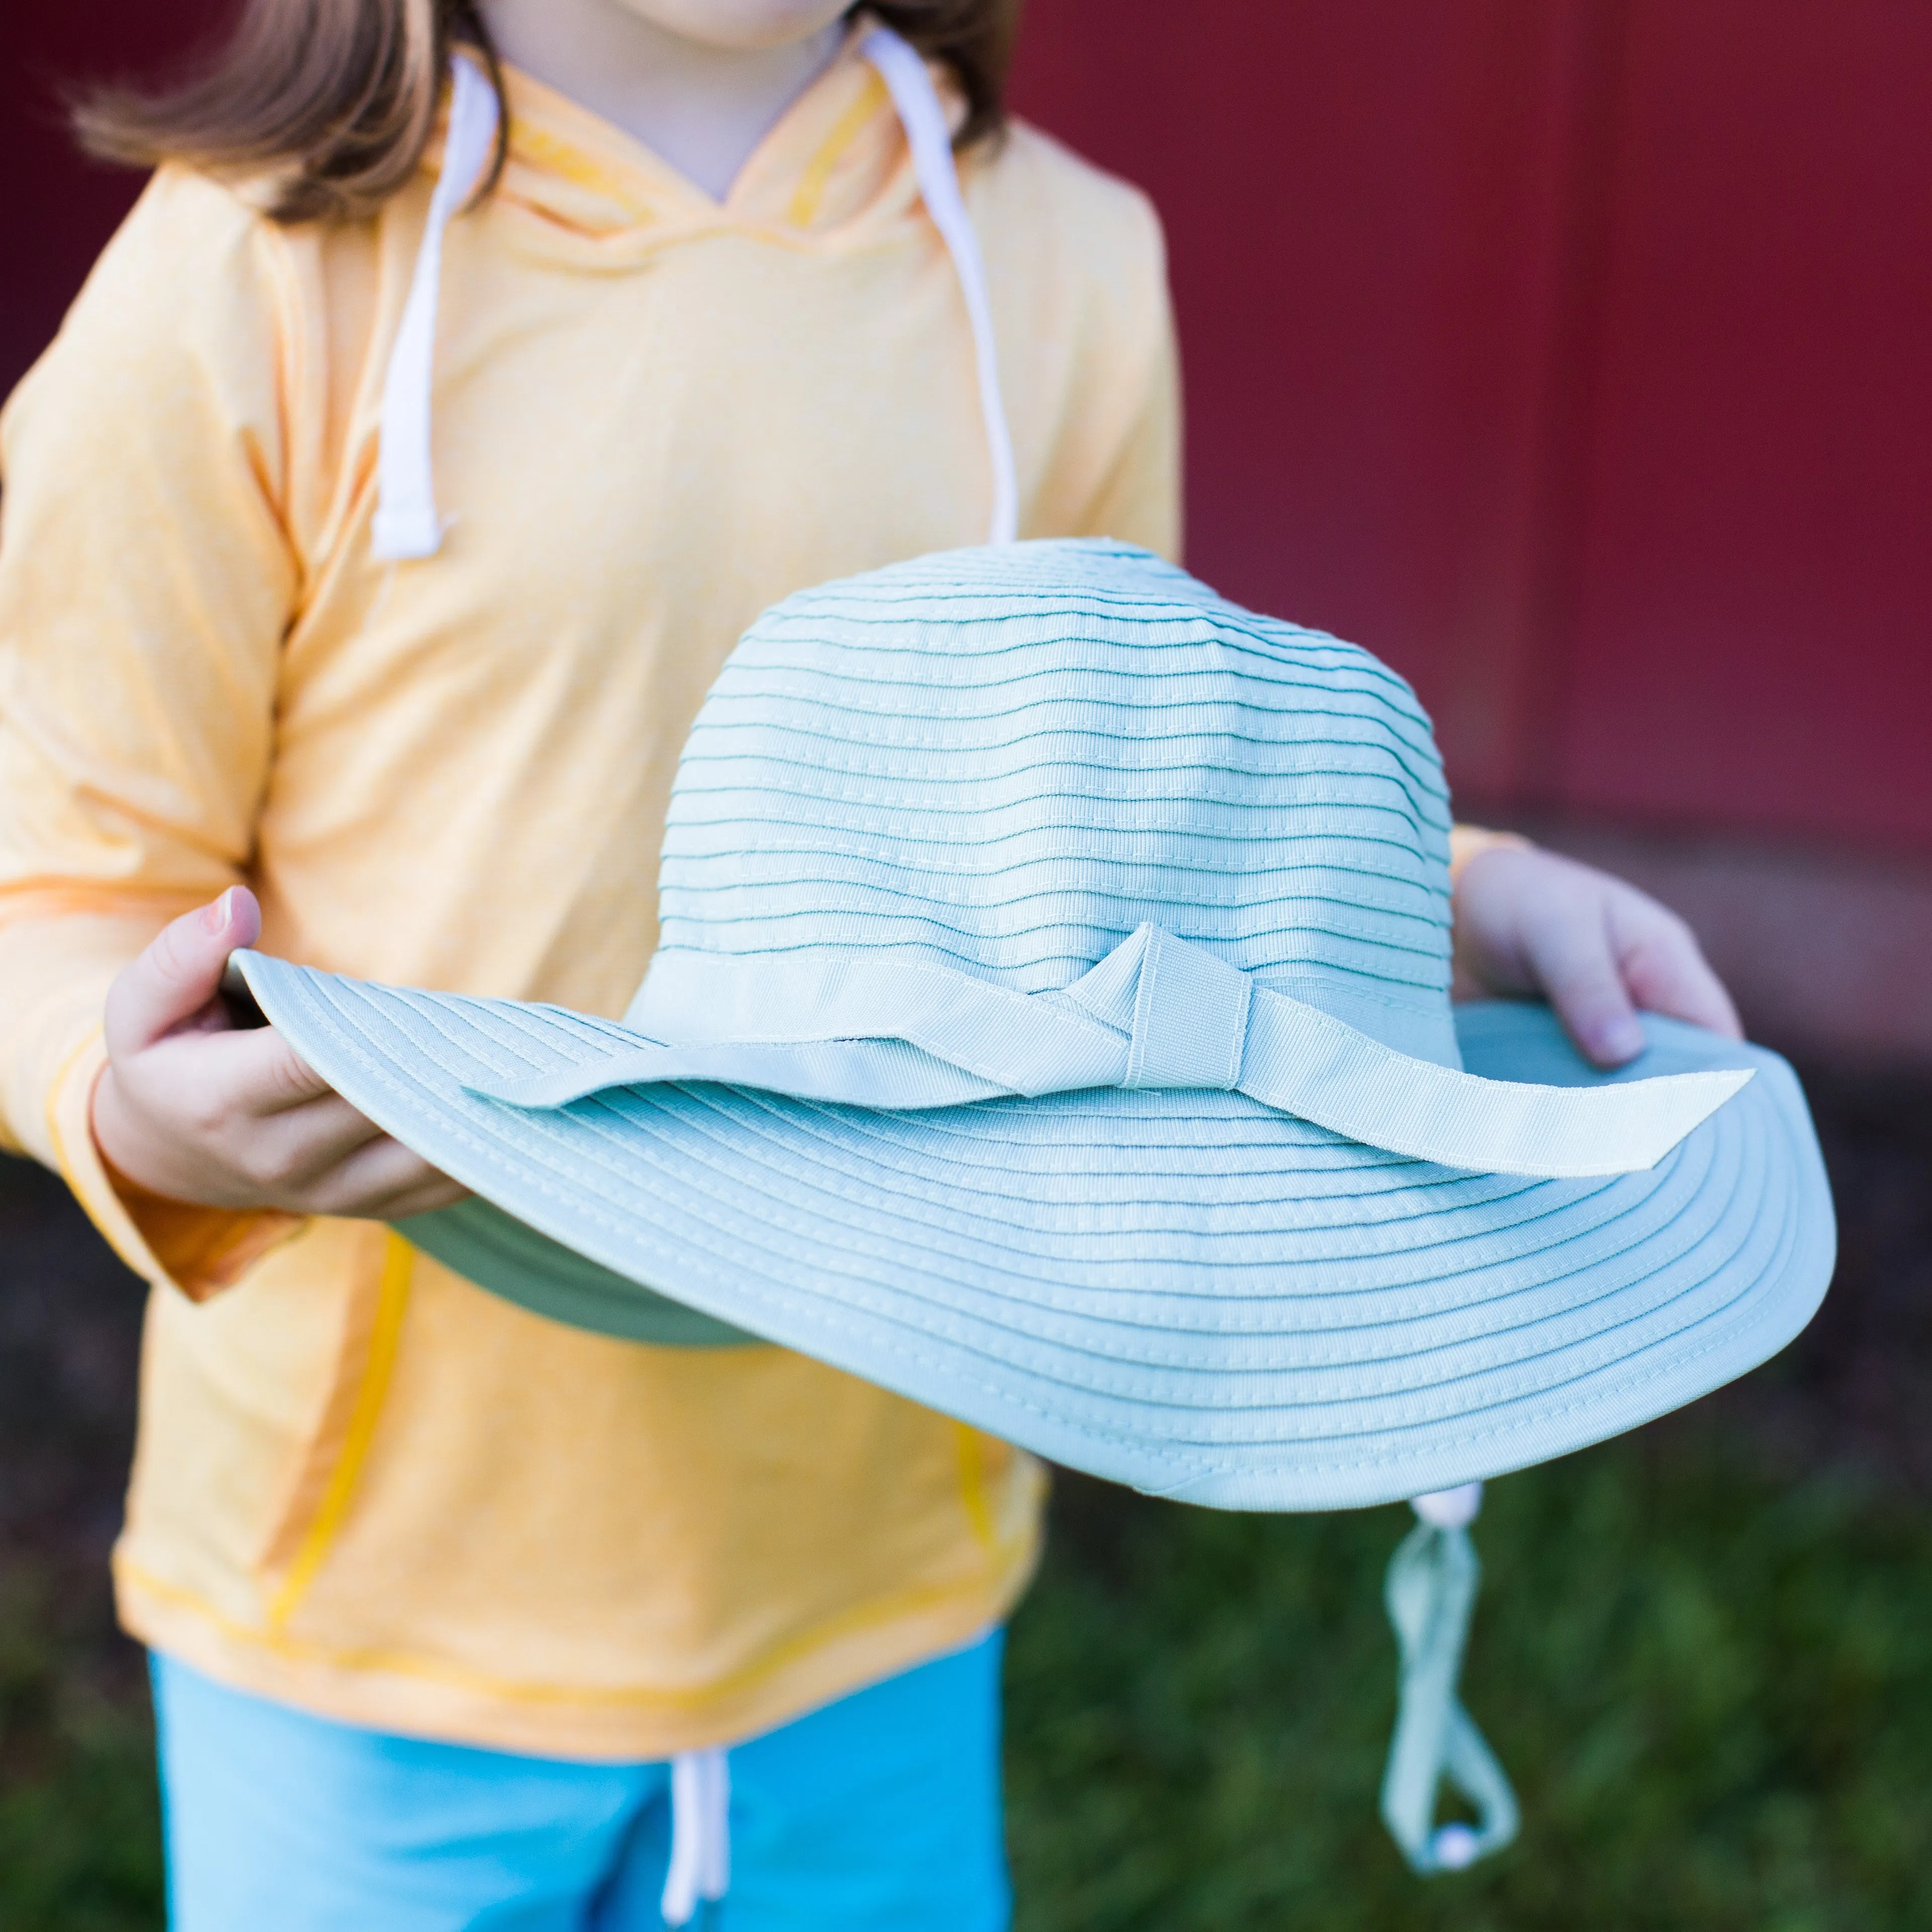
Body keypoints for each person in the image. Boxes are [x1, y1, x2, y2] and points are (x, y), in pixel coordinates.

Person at [0, 1, 1743, 1923]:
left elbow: (1125, 804)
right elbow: (50, 883)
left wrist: (1441, 891)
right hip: (373, 1618)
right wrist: (126, 1089)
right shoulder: (248, 272)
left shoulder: (1058, 266)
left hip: (875, 1580)